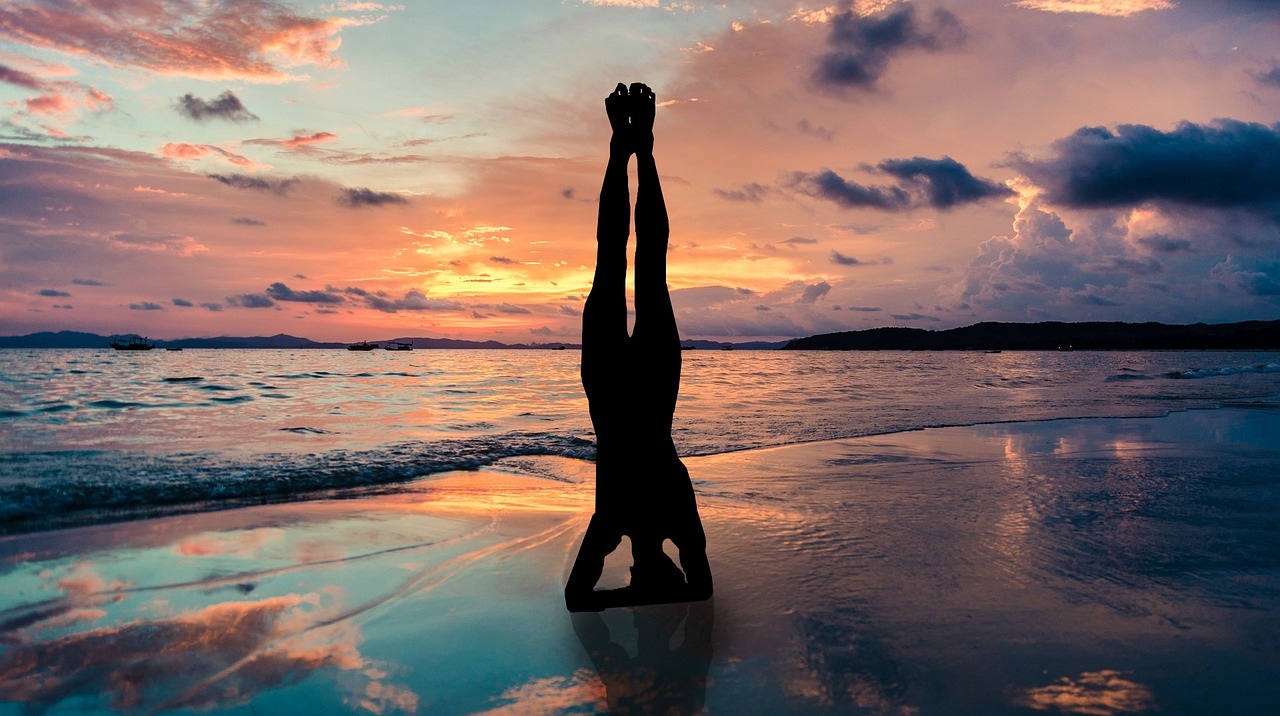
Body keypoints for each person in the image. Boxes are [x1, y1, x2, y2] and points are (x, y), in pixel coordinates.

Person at [565, 82, 713, 612]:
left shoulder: (673, 518)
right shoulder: (612, 522)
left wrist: (646, 594)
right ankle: (630, 148)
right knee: (630, 265)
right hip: (619, 389)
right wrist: (639, 595)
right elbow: (580, 599)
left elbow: (699, 589)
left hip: (639, 387)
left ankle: (632, 149)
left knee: (639, 265)